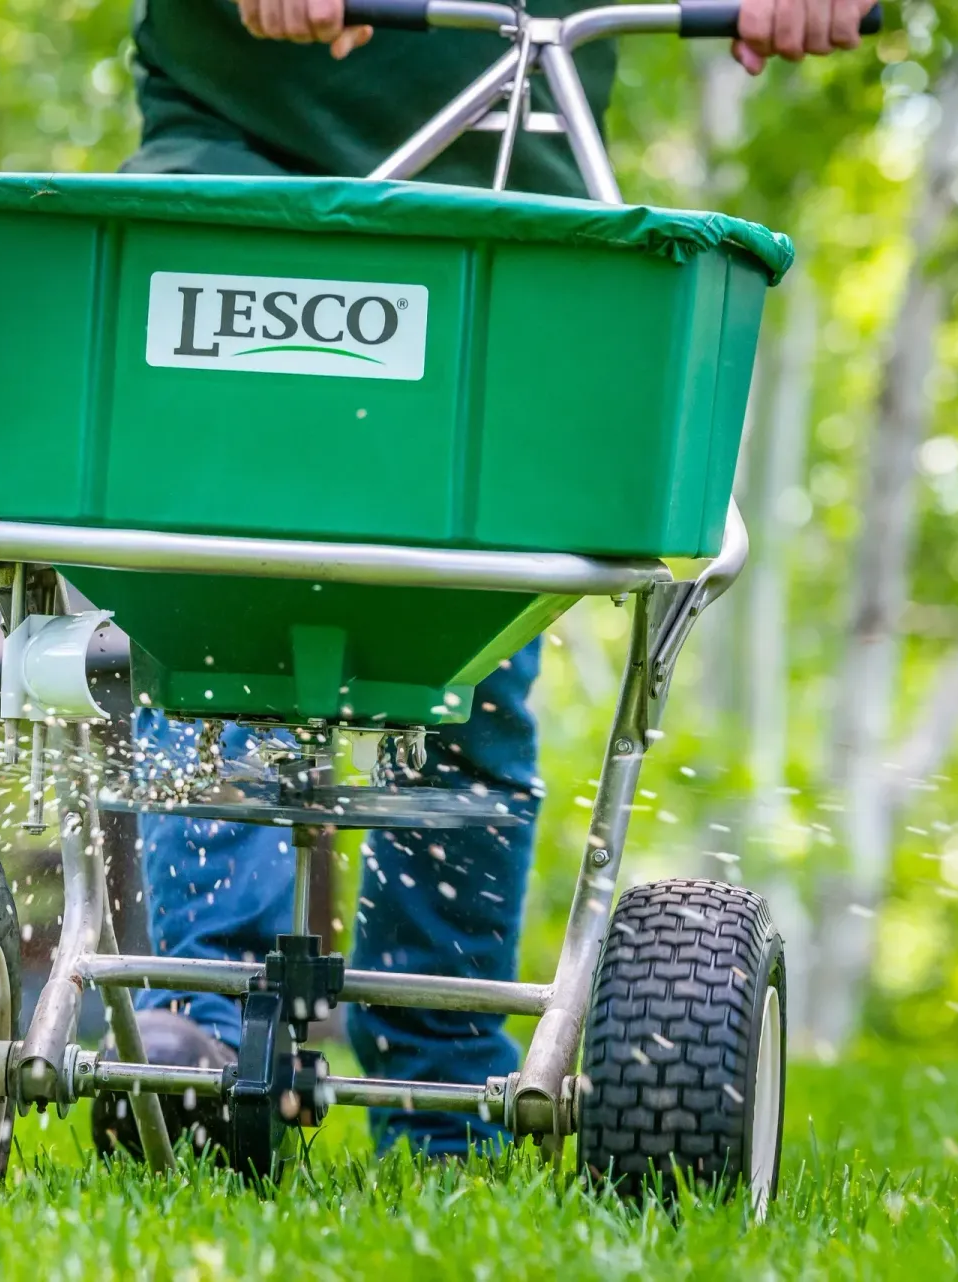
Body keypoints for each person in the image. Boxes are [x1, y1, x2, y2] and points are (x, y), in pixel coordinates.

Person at [92, 0, 874, 1160]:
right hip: (246, 160)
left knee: (467, 650)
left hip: (507, 201)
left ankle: (444, 1080)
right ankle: (205, 1027)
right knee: (219, 609)